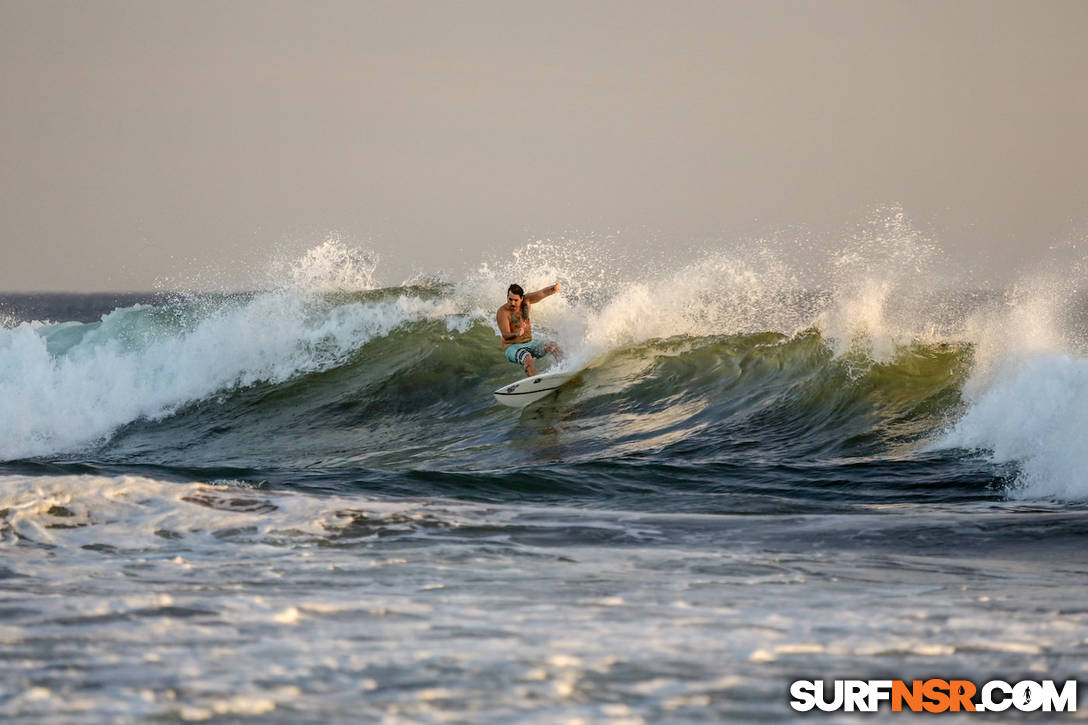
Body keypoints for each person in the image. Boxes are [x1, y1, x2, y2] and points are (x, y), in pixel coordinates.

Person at [497, 282, 563, 377]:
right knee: (527, 358)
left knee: (553, 346)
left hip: (530, 343)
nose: (512, 303)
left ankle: (564, 368)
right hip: (512, 347)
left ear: (522, 298)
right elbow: (505, 335)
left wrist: (554, 288)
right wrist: (517, 334)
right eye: (510, 299)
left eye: (515, 300)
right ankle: (535, 384)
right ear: (507, 296)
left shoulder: (527, 301)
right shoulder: (503, 312)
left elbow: (542, 293)